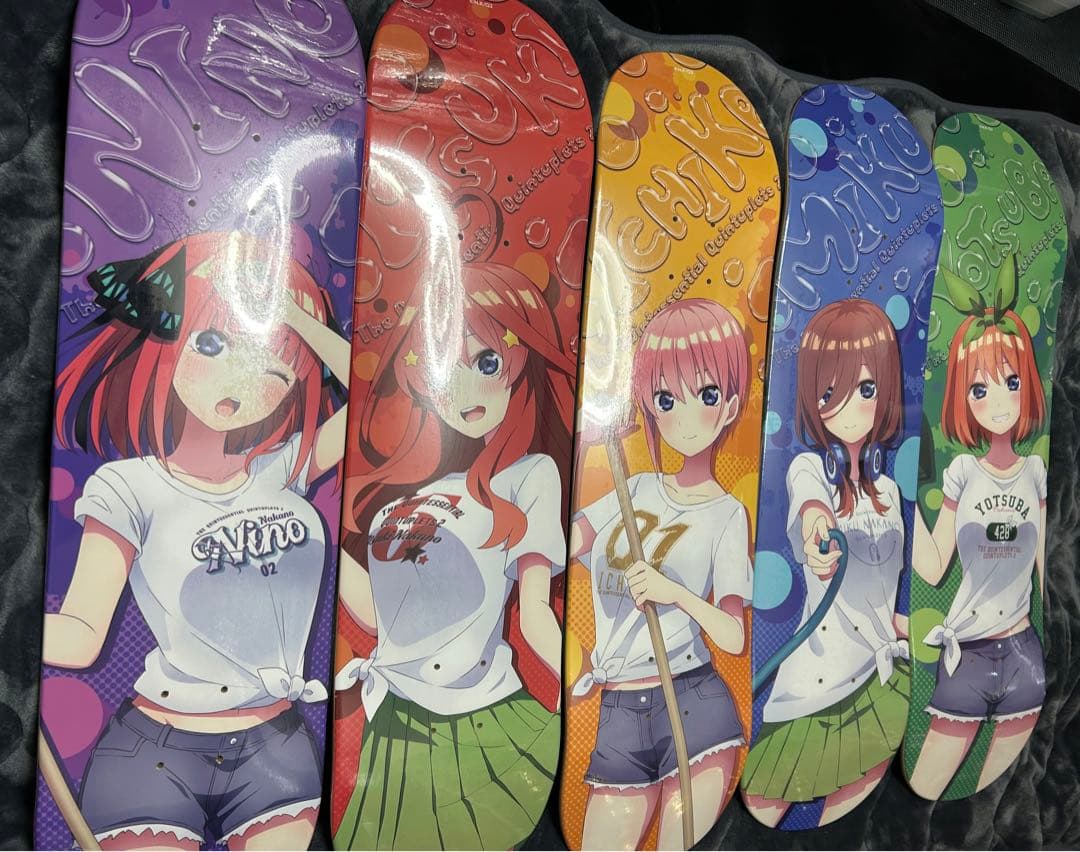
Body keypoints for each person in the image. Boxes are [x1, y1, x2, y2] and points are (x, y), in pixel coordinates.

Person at [45, 231, 350, 849]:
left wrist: (289, 316)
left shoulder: (284, 468)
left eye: (274, 368)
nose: (242, 380)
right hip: (155, 751)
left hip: (276, 746)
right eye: (212, 344)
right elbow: (80, 635)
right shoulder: (129, 486)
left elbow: (370, 396)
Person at [333, 262, 574, 850]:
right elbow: (377, 617)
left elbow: (535, 613)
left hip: (478, 719)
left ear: (519, 359)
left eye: (486, 363)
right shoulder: (409, 494)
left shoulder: (529, 475)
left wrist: (586, 692)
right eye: (445, 368)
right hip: (393, 724)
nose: (464, 391)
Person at [569, 299, 753, 850]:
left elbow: (733, 636)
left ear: (730, 405)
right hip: (619, 711)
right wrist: (581, 441)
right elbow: (562, 547)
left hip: (692, 701)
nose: (686, 417)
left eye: (708, 395)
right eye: (668, 399)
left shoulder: (727, 514)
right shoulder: (635, 488)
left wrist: (674, 593)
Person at [742, 299, 910, 827]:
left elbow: (882, 593)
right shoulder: (809, 469)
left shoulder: (889, 490)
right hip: (817, 679)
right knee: (767, 799)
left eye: (866, 389)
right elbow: (812, 511)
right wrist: (819, 541)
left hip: (880, 677)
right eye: (830, 394)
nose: (851, 408)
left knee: (851, 795)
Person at [908, 262, 1048, 797]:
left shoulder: (1036, 472)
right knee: (927, 787)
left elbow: (1044, 572)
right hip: (965, 655)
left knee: (992, 802)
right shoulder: (963, 472)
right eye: (979, 389)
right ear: (962, 398)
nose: (999, 402)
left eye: (1011, 383)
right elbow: (933, 566)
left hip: (1024, 654)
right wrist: (900, 504)